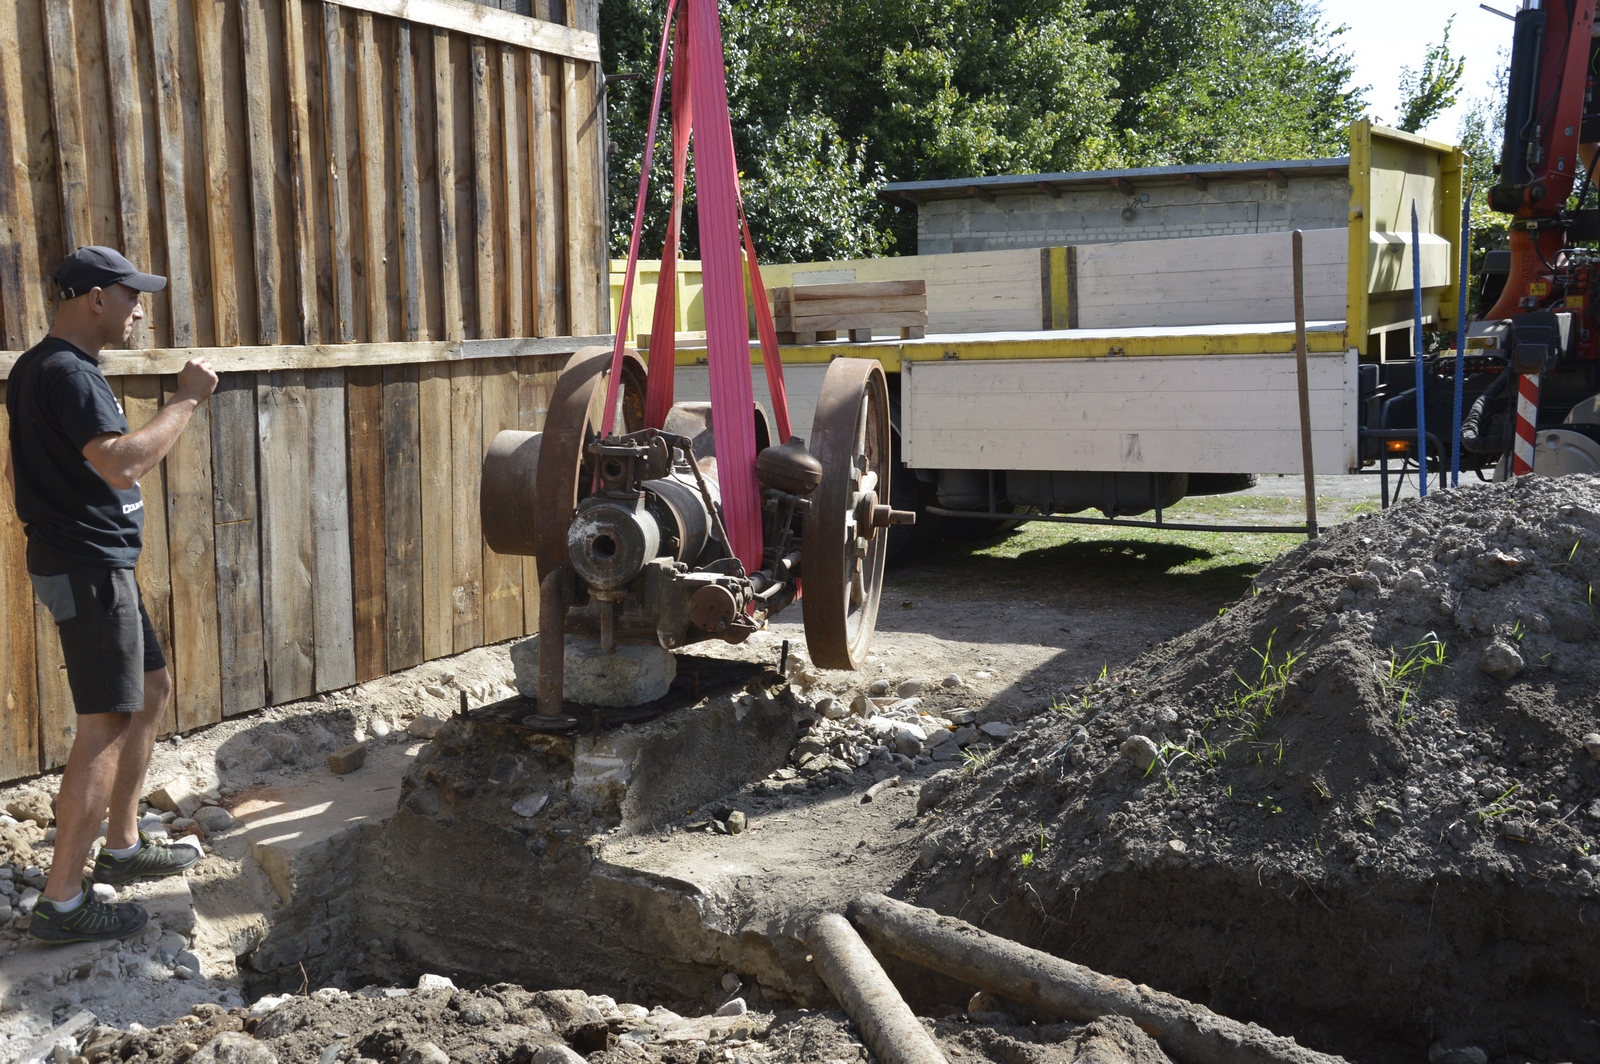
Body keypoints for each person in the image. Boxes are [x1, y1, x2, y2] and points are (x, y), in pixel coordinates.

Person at [4, 246, 219, 943]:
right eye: (131, 296)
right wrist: (187, 399)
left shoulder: (36, 367)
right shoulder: (71, 373)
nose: (138, 311)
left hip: (87, 561)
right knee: (105, 721)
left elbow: (15, 471)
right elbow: (123, 464)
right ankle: (63, 903)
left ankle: (122, 848)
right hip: (88, 567)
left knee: (150, 690)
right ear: (96, 297)